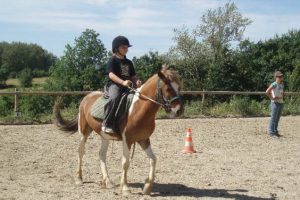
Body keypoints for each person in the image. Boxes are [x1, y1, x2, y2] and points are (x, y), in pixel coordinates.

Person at [102, 35, 141, 134]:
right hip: (114, 85)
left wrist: (136, 81)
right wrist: (122, 82)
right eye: (123, 47)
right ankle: (107, 123)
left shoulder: (129, 62)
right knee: (114, 97)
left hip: (128, 86)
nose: (126, 49)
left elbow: (133, 76)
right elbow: (111, 74)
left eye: (127, 47)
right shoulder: (113, 60)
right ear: (116, 48)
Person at [266, 70, 285, 137]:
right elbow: (267, 91)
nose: (280, 77)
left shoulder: (281, 85)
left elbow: (282, 93)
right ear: (276, 77)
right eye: (279, 76)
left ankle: (275, 131)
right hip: (275, 103)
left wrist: (282, 95)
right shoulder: (274, 84)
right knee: (273, 118)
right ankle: (271, 132)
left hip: (281, 102)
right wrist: (272, 98)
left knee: (277, 118)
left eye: (281, 76)